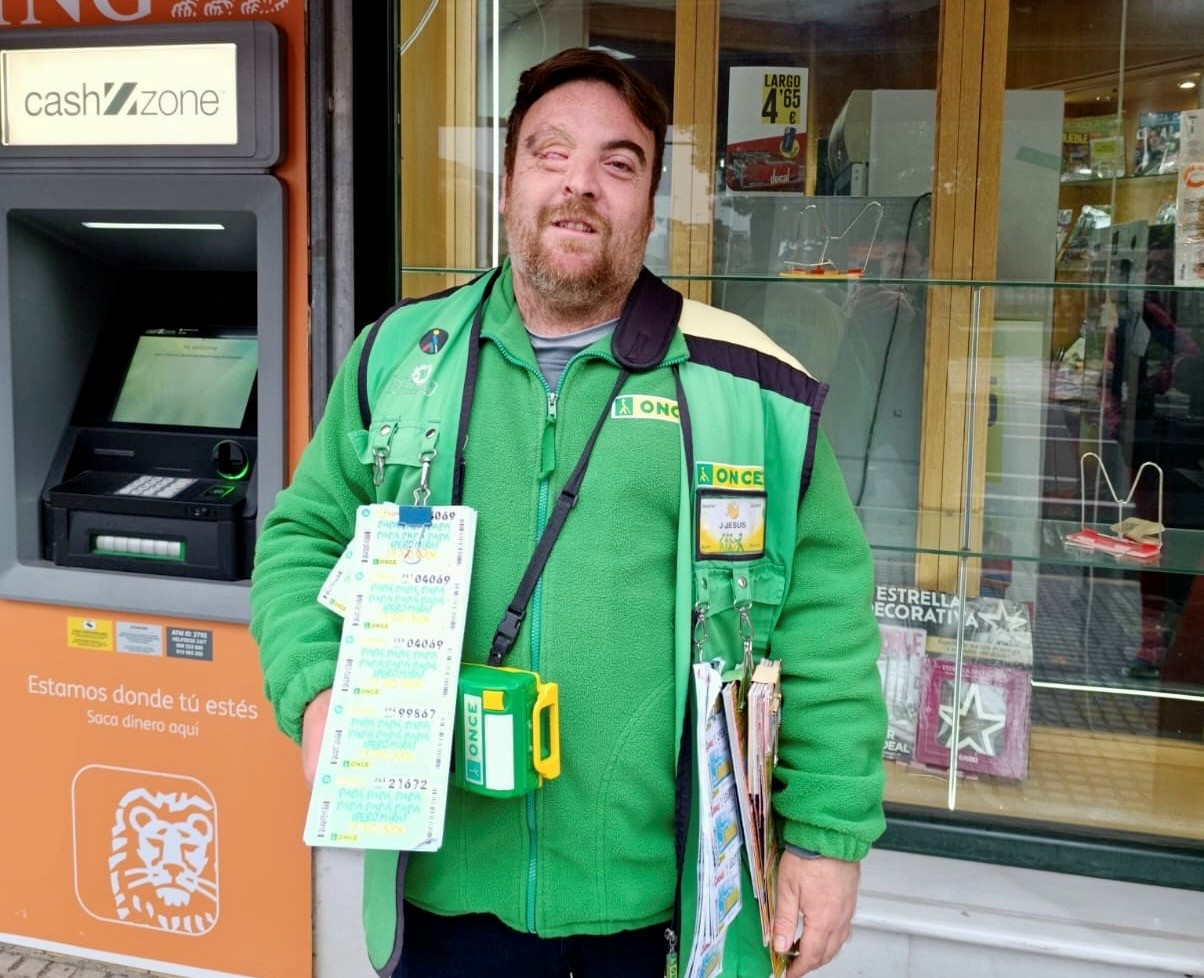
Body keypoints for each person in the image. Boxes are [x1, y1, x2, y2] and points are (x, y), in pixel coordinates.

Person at [251, 48, 886, 978]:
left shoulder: (753, 388)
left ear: (651, 199)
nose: (580, 184)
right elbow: (305, 536)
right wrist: (316, 690)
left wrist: (827, 837)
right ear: (509, 176)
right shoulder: (399, 358)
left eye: (618, 163)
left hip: (663, 913)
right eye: (551, 153)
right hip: (439, 900)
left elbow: (825, 623)